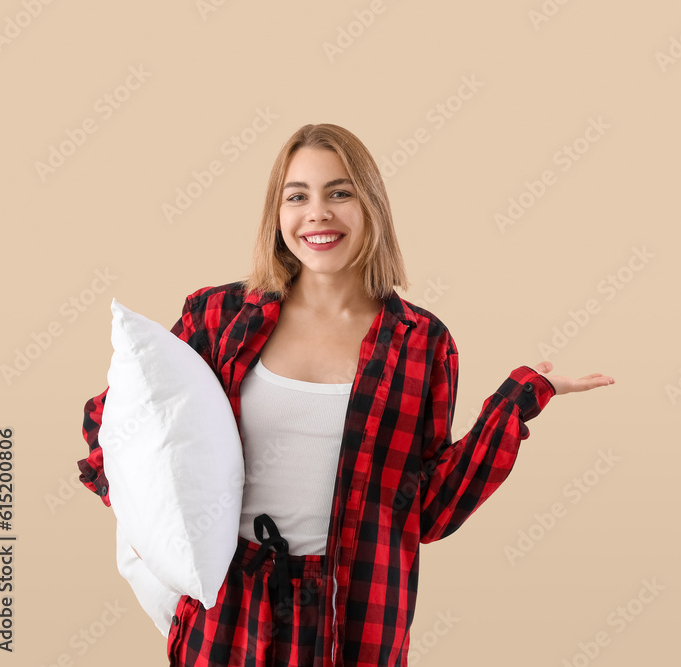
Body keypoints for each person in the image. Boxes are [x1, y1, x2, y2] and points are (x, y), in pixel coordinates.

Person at [77, 123, 615, 666]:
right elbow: (125, 423)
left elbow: (428, 508)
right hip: (228, 616)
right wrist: (150, 524)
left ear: (371, 205)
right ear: (277, 213)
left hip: (350, 618)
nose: (318, 213)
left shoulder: (422, 343)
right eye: (298, 196)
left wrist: (517, 402)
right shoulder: (218, 317)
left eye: (340, 192)